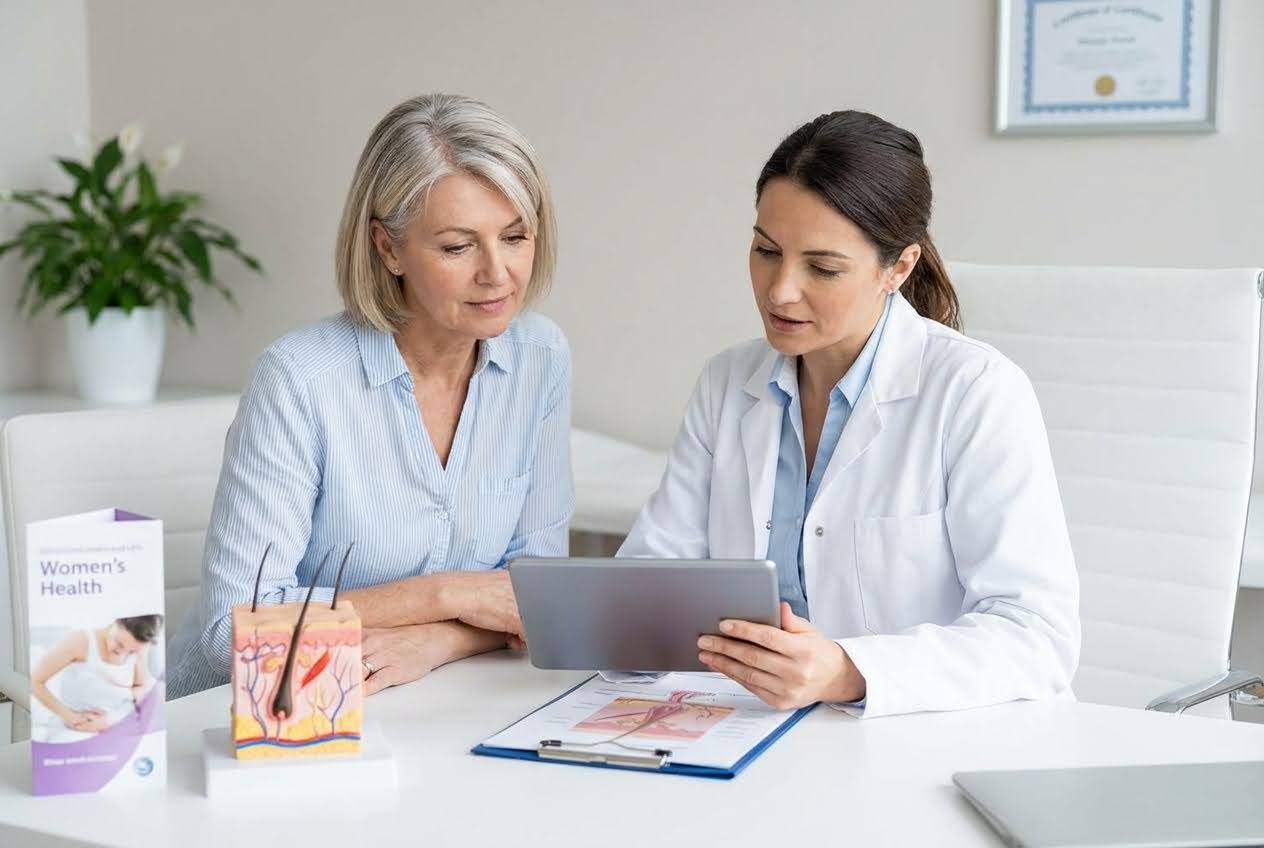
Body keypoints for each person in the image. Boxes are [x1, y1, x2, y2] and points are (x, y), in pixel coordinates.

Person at [619, 110, 1079, 718]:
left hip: (925, 742)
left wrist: (847, 670)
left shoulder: (976, 392)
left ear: (899, 267)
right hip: (754, 730)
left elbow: (1036, 636)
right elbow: (653, 579)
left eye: (823, 268)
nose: (780, 290)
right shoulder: (728, 383)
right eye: (765, 251)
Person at [168, 93, 573, 698]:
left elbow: (538, 597)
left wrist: (440, 640)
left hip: (427, 703)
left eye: (515, 237)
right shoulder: (300, 378)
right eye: (458, 247)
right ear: (388, 248)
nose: (497, 273)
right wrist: (447, 594)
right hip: (248, 716)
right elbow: (232, 630)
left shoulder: (540, 357)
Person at [33, 615, 163, 736]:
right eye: (119, 643)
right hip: (75, 726)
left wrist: (115, 720)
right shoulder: (80, 641)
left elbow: (138, 686)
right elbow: (35, 682)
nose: (122, 653)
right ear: (114, 621)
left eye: (131, 651)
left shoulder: (140, 647)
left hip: (117, 722)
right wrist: (72, 718)